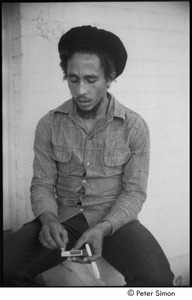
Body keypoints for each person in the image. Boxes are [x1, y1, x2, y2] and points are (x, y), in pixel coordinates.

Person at [3, 25, 174, 287]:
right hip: (63, 217)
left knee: (158, 279)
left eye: (91, 80)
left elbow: (135, 192)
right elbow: (42, 184)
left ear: (110, 77)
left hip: (114, 221)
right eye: (73, 79)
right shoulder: (48, 124)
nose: (80, 90)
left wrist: (103, 227)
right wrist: (47, 218)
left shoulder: (134, 126)